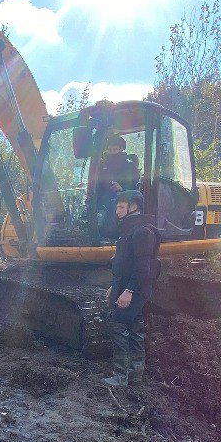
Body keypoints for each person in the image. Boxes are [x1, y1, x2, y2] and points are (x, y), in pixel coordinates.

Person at [103, 189, 158, 387]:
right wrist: (115, 286)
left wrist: (129, 291)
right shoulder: (129, 231)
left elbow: (142, 267)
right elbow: (125, 264)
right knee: (134, 328)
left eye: (120, 207)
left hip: (136, 288)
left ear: (133, 207)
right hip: (126, 285)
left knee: (119, 325)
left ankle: (121, 377)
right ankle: (135, 375)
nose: (116, 211)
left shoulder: (142, 232)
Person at [87, 135, 140, 239]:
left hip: (121, 201)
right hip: (101, 201)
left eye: (115, 149)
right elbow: (95, 183)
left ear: (121, 149)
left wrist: (121, 188)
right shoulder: (100, 165)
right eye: (109, 149)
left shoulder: (129, 166)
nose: (112, 152)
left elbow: (135, 186)